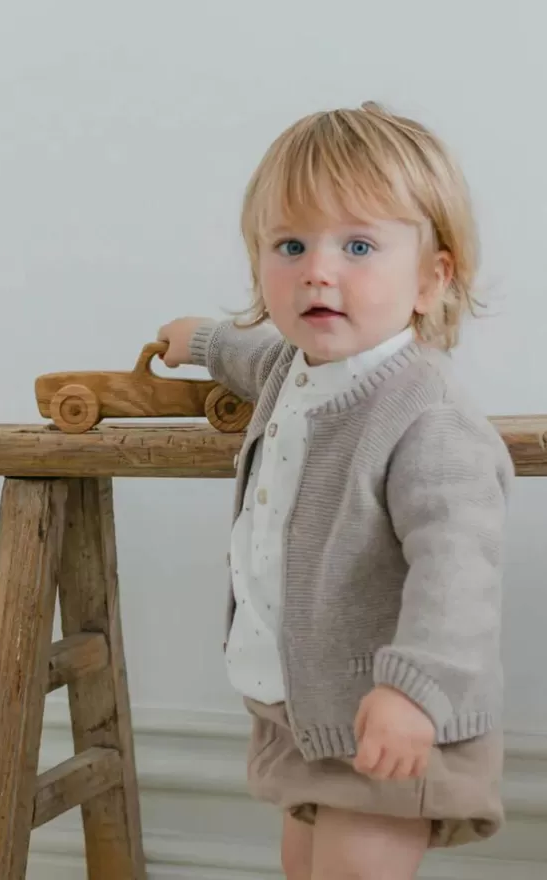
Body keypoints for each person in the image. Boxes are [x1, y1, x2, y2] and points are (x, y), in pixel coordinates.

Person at [157, 101, 514, 880]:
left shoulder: (427, 419)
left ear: (432, 277)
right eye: (291, 244)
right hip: (310, 717)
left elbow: (459, 574)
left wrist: (414, 692)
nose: (318, 269)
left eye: (358, 245)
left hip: (394, 715)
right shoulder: (298, 368)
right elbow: (258, 359)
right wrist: (207, 342)